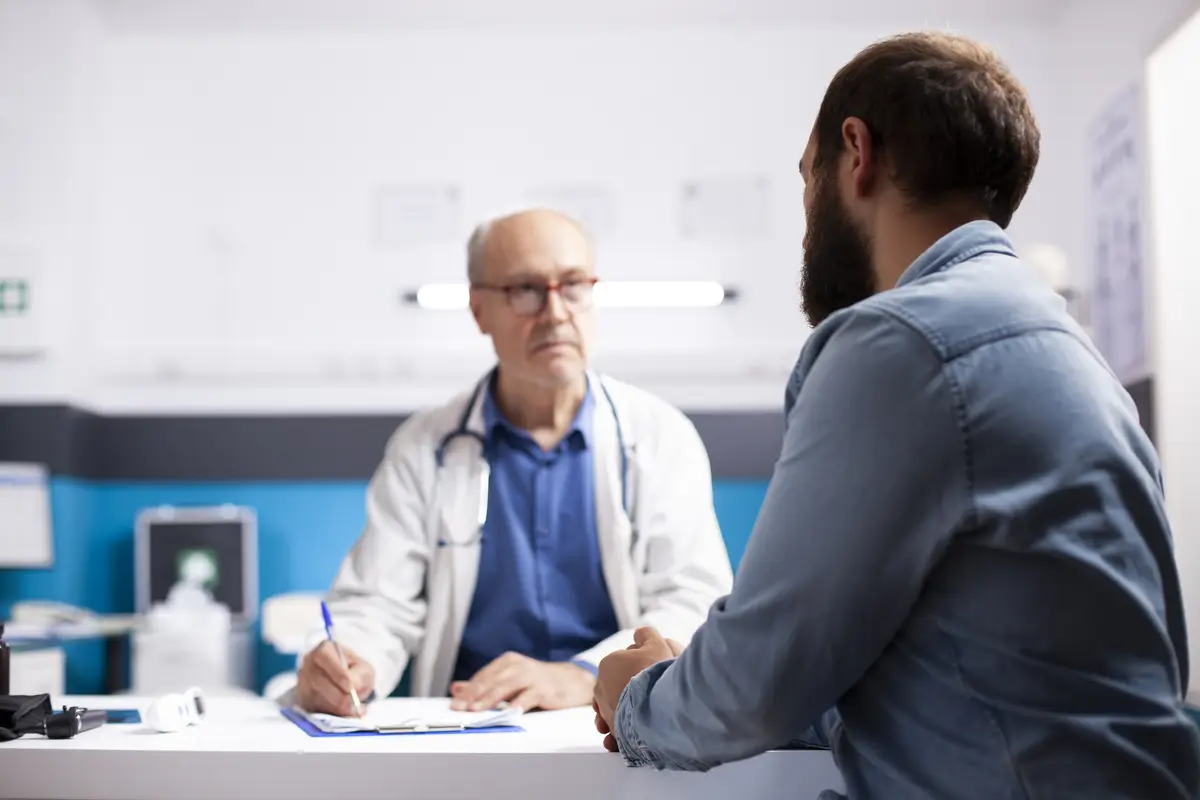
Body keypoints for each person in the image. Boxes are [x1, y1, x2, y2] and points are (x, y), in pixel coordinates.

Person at [592, 31, 1200, 799]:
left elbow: (750, 688)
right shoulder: (1062, 345)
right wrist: (693, 675)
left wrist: (635, 693)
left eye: (808, 179)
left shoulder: (900, 343)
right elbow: (926, 671)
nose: (808, 222)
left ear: (856, 153)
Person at [294, 207, 733, 717]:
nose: (555, 312)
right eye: (525, 289)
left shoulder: (659, 436)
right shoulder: (425, 446)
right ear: (479, 309)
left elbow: (692, 601)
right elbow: (377, 602)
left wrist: (583, 673)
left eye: (572, 286)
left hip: (612, 725)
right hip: (471, 725)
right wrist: (349, 658)